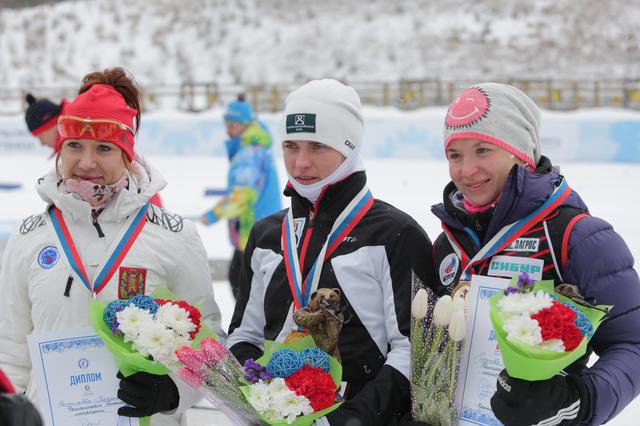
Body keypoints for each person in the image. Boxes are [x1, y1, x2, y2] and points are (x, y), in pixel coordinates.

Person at [0, 67, 225, 426]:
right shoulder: (29, 237)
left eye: (104, 148)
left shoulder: (173, 236)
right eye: (74, 145)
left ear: (127, 154)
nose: (86, 162)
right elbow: (9, 351)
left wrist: (173, 392)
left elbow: (210, 347)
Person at [430, 82, 640, 426]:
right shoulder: (447, 243)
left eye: (483, 150)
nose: (467, 170)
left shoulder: (579, 237)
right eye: (456, 155)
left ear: (522, 153)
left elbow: (632, 345)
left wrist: (579, 401)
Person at [227, 79, 435, 425]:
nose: (301, 162)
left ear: (349, 148)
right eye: (291, 146)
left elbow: (412, 351)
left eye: (318, 146)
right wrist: (262, 403)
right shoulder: (266, 235)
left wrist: (347, 419)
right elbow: (244, 337)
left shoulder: (396, 234)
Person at [200, 95, 281, 299]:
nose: (228, 130)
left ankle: (249, 329)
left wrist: (213, 214)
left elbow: (242, 195)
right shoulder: (252, 149)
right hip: (258, 229)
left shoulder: (251, 154)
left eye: (233, 125)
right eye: (227, 124)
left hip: (257, 231)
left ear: (246, 125)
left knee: (243, 283)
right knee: (244, 282)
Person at [24, 92, 164, 207]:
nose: (86, 163)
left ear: (50, 125)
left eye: (39, 136)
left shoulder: (138, 190)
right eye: (74, 145)